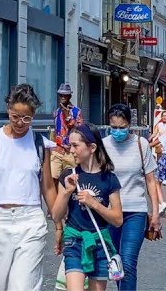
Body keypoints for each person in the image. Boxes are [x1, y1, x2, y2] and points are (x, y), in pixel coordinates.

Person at [0, 84, 58, 291]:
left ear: (33, 115)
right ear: (8, 111)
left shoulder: (40, 144)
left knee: (24, 286)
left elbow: (48, 188)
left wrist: (59, 224)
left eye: (26, 118)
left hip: (31, 220)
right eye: (15, 117)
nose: (20, 123)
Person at [50, 123, 122, 291]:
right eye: (70, 145)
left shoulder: (109, 179)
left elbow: (118, 220)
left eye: (75, 145)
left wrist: (94, 204)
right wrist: (67, 192)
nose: (71, 150)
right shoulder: (68, 176)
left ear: (92, 148)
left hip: (100, 241)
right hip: (74, 241)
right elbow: (55, 215)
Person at [100, 104, 161, 290]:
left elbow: (151, 181)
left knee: (127, 262)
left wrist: (156, 213)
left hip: (136, 212)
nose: (118, 131)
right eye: (114, 127)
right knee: (115, 262)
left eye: (122, 127)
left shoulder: (140, 144)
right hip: (110, 213)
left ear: (129, 124)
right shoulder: (103, 145)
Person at [52, 83, 83, 182]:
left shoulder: (76, 112)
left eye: (65, 95)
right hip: (57, 149)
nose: (62, 97)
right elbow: (56, 131)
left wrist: (68, 118)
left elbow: (79, 130)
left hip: (71, 151)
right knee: (53, 177)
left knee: (70, 179)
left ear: (70, 96)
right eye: (61, 95)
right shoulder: (56, 112)